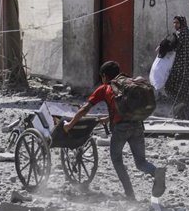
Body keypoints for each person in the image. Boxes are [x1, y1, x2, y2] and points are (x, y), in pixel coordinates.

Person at [64, 61, 166, 200]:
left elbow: (84, 109)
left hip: (121, 129)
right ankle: (155, 172)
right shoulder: (129, 83)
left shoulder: (105, 88)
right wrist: (108, 118)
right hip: (137, 125)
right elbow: (124, 107)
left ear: (104, 76)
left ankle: (130, 195)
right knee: (140, 162)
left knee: (117, 160)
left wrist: (70, 124)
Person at [164, 15, 189, 120]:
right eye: (174, 23)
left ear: (182, 23)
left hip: (179, 70)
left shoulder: (178, 35)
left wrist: (162, 45)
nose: (175, 25)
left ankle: (179, 109)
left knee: (169, 88)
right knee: (185, 95)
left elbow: (170, 46)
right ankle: (184, 118)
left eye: (177, 23)